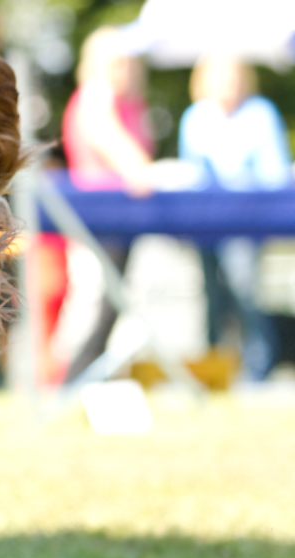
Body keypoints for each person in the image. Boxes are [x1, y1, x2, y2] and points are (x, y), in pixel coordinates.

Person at [179, 55, 293, 381]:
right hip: (206, 223)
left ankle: (258, 366)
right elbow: (193, 173)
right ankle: (215, 367)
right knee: (212, 296)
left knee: (245, 293)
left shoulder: (261, 115)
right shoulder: (197, 117)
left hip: (247, 221)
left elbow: (274, 173)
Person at [54, 26, 156, 384]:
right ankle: (71, 383)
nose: (124, 70)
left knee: (109, 308)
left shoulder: (127, 103)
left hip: (119, 220)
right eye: (116, 62)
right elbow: (133, 165)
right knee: (96, 305)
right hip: (96, 218)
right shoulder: (96, 98)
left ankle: (86, 383)